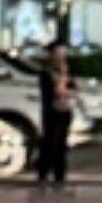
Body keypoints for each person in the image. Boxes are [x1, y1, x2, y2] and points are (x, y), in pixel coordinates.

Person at [35, 42, 77, 186]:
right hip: (51, 112)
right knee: (50, 142)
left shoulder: (67, 72)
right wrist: (63, 78)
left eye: (63, 54)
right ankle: (43, 173)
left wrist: (66, 88)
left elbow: (73, 91)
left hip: (65, 111)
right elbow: (57, 92)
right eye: (58, 54)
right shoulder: (46, 73)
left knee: (62, 144)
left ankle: (60, 175)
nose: (61, 58)